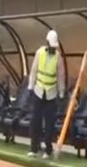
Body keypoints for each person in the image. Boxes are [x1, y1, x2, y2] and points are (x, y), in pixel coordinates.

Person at [26, 29, 64, 158]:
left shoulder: (58, 57)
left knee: (49, 124)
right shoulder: (39, 53)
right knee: (35, 121)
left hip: (51, 94)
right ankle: (34, 148)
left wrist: (61, 93)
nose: (53, 48)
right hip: (38, 91)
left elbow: (60, 76)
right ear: (47, 43)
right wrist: (30, 88)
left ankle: (48, 150)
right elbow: (34, 71)